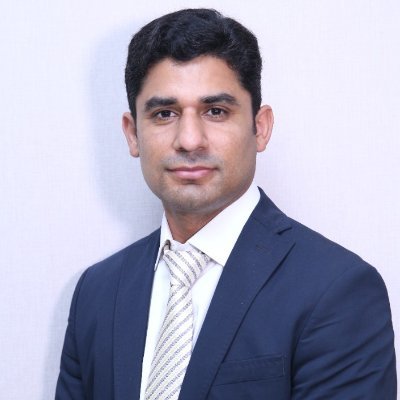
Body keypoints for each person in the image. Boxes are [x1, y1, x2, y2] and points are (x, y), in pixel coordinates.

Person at [55, 8, 396, 400]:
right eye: (164, 113)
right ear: (133, 135)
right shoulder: (97, 292)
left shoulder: (336, 290)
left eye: (215, 111)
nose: (189, 139)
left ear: (260, 127)